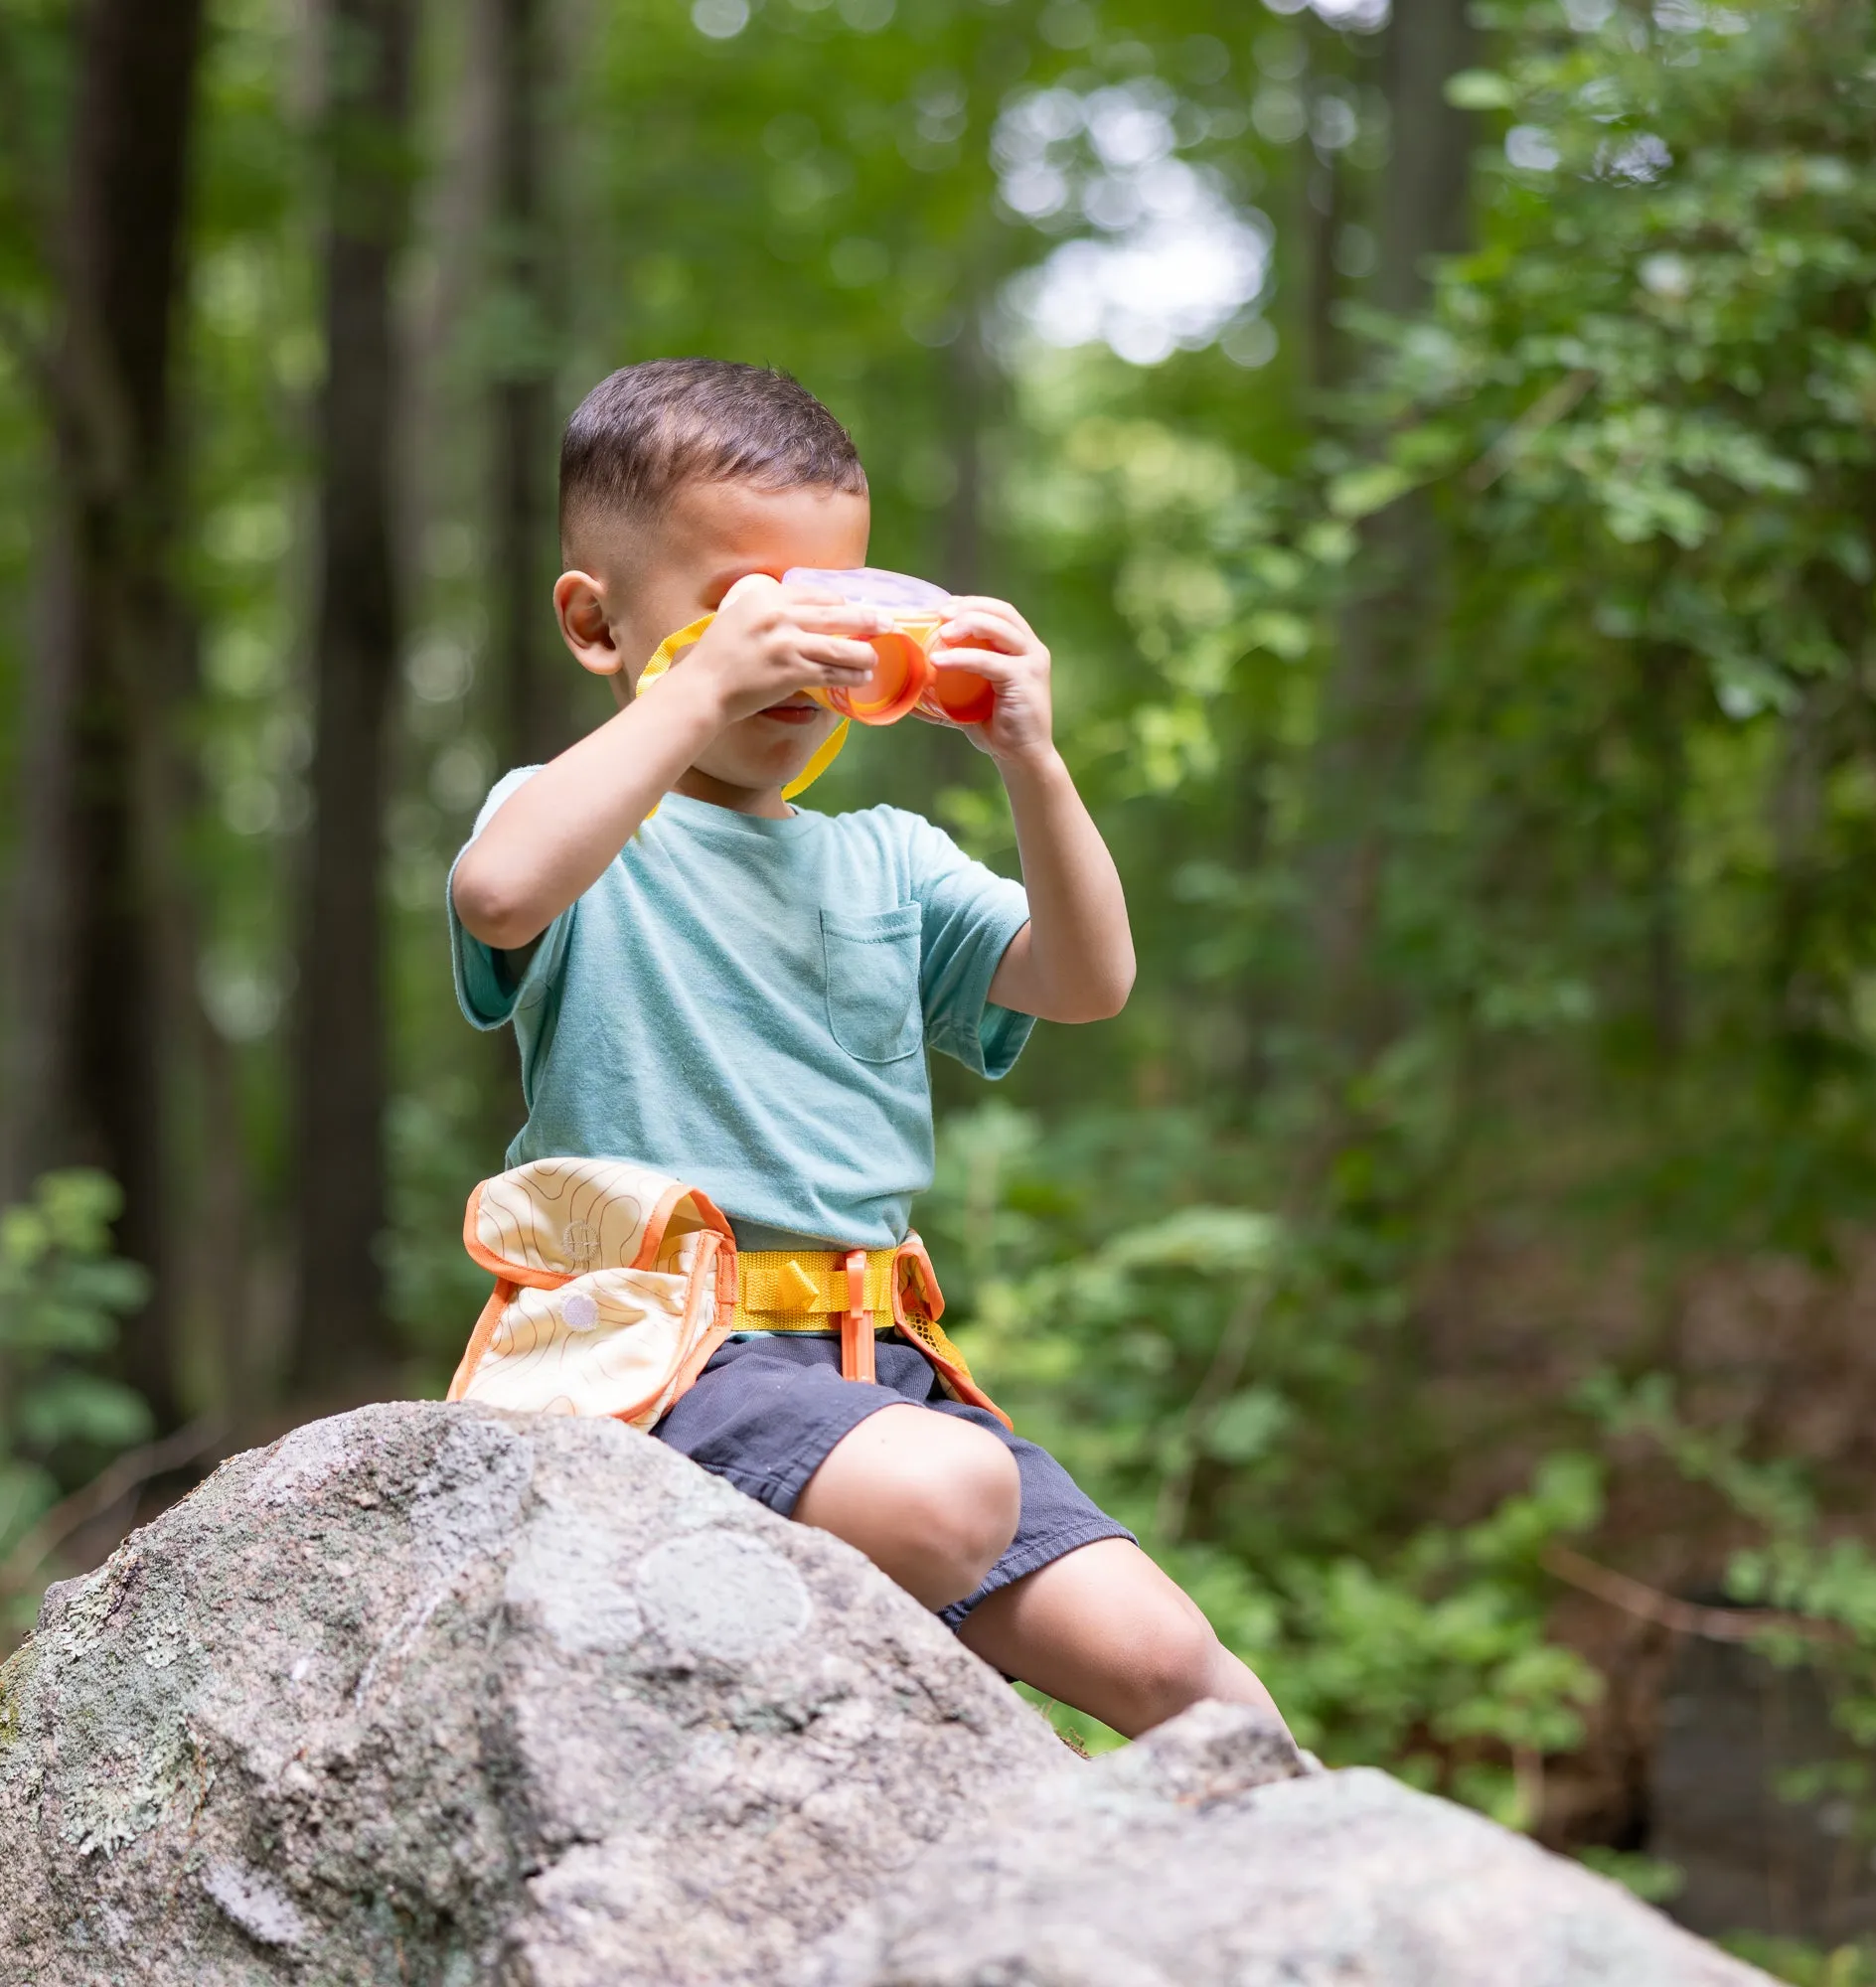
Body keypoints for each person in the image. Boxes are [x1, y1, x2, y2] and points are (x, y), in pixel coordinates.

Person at [448, 357, 1283, 1740]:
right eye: (742, 609)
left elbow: (1086, 982)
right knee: (952, 1498)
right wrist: (698, 694)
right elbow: (500, 891)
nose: (798, 649)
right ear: (597, 626)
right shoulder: (579, 819)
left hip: (879, 1368)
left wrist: (1032, 759)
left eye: (833, 601)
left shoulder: (887, 861)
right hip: (659, 1358)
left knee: (1183, 1670)